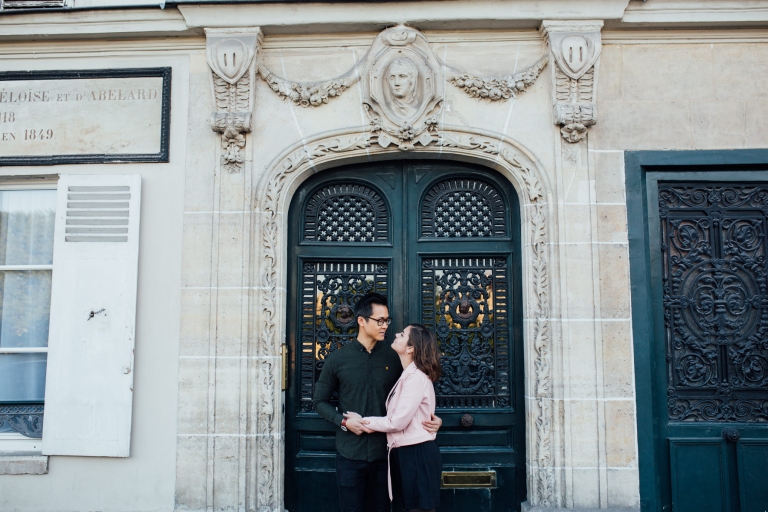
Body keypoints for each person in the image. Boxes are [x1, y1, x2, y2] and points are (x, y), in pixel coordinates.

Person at [313, 292, 442, 512]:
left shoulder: (396, 357)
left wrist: (432, 418)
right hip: (350, 454)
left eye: (387, 320)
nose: (385, 326)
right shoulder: (337, 359)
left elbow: (416, 394)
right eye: (380, 320)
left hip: (387, 456)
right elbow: (319, 401)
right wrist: (343, 422)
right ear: (361, 321)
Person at [348, 324, 442, 512]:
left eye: (402, 334)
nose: (397, 334)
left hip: (415, 454)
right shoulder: (408, 375)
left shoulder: (415, 378)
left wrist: (363, 422)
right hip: (407, 453)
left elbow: (397, 421)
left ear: (410, 348)